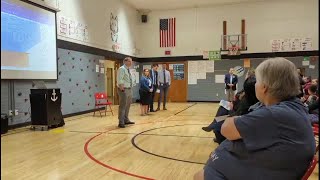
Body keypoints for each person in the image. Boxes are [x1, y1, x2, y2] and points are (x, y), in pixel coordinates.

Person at [194, 57, 315, 180]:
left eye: (257, 81)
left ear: (264, 87)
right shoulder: (294, 106)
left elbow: (226, 129)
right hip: (269, 168)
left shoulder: (274, 114)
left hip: (264, 172)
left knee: (198, 176)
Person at [202, 76, 259, 144]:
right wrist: (233, 103)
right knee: (222, 107)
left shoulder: (248, 98)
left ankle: (215, 128)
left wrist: (233, 107)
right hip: (236, 108)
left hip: (238, 113)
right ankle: (214, 126)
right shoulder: (244, 92)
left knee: (221, 118)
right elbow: (237, 98)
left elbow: (240, 112)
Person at [116, 57, 135, 128]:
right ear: (125, 61)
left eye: (131, 61)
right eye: (129, 61)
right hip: (124, 89)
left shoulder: (128, 69)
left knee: (128, 105)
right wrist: (122, 89)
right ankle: (121, 122)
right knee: (123, 106)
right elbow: (120, 79)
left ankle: (126, 120)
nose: (131, 63)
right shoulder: (122, 69)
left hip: (129, 89)